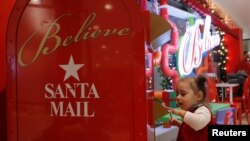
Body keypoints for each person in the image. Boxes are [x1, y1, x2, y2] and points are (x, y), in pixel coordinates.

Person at [164, 75, 214, 141]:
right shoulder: (190, 111)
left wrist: (179, 112)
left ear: (199, 96)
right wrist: (179, 124)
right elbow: (191, 128)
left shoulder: (204, 110)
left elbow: (197, 123)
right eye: (177, 94)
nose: (178, 97)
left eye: (183, 94)